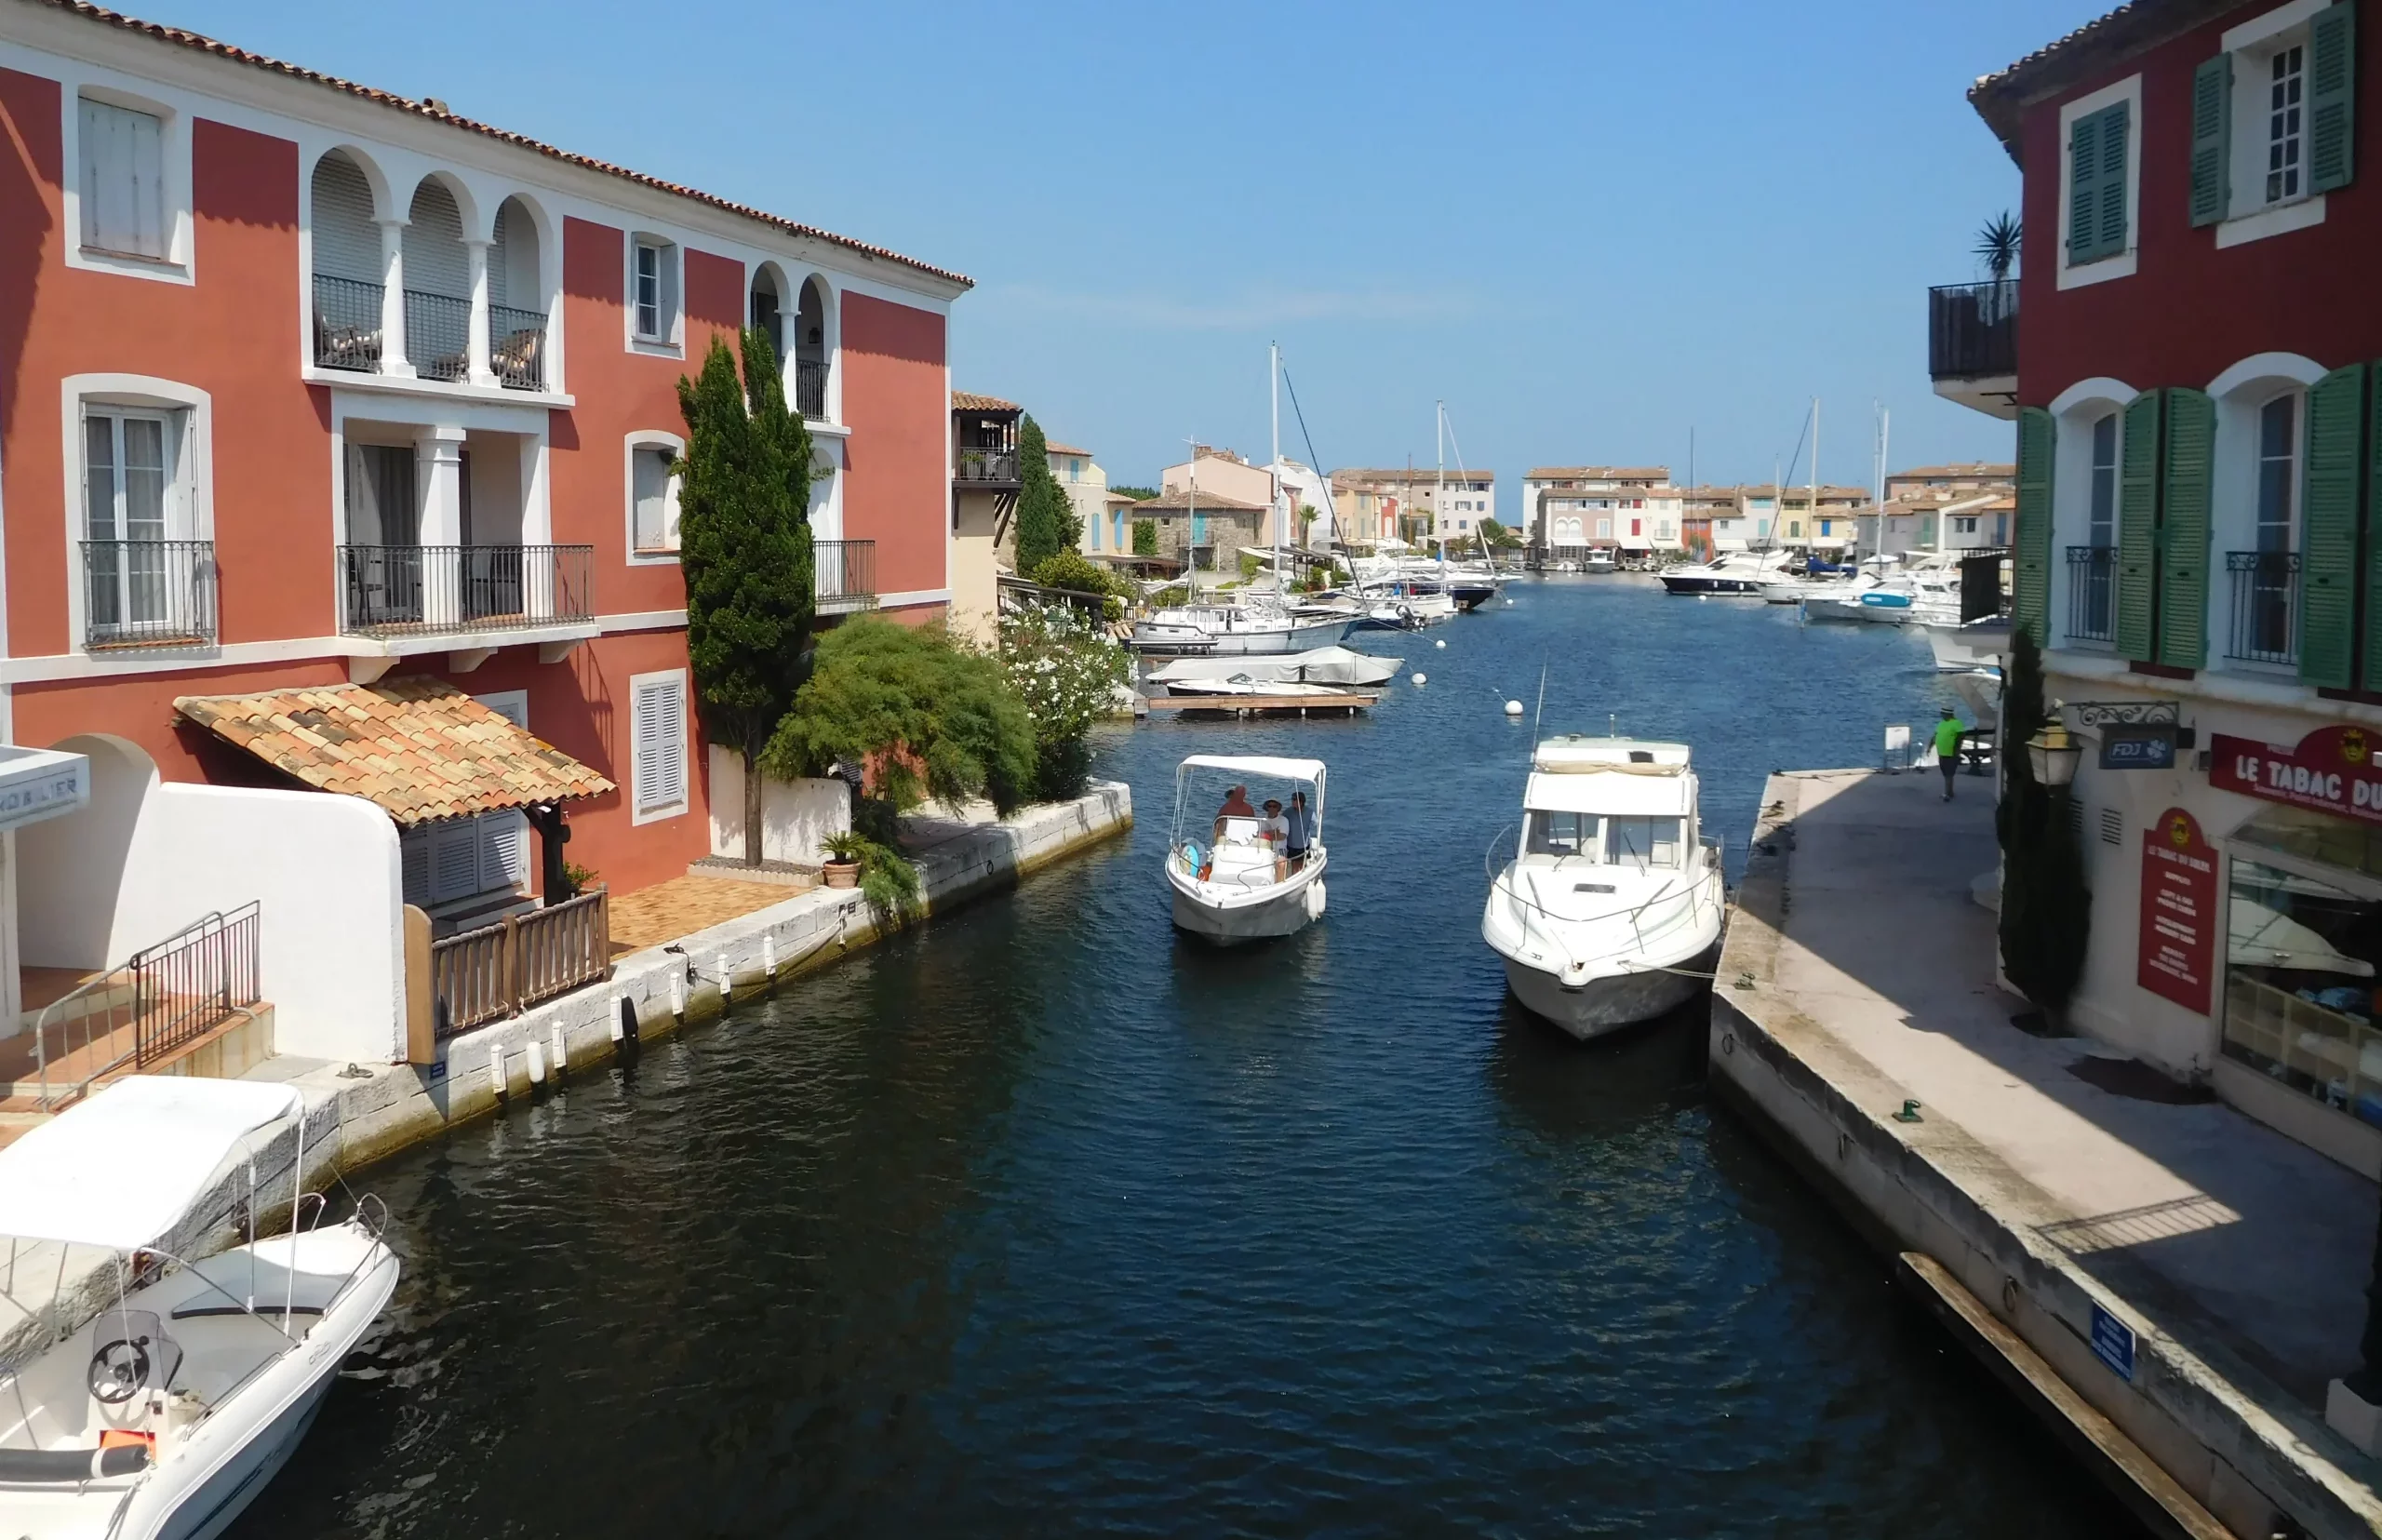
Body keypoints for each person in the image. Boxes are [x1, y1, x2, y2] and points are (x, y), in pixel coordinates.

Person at [1934, 707, 1965, 801]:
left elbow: (1960, 737)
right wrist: (1929, 746)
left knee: (1949, 773)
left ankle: (1947, 793)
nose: (1941, 715)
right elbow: (1936, 735)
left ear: (1948, 714)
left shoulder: (1956, 723)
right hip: (1942, 752)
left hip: (1951, 753)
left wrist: (1956, 750)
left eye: (1942, 713)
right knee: (1945, 773)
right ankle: (1950, 791)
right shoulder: (1941, 723)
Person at [1282, 790, 1312, 876]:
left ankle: (1301, 877)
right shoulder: (1288, 812)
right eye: (1292, 799)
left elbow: (1316, 822)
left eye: (1294, 799)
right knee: (1294, 864)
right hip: (1292, 844)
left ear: (1301, 801)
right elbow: (1281, 819)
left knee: (1301, 864)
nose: (1293, 801)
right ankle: (1295, 878)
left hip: (1303, 844)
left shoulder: (1309, 812)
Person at [1259, 798, 1290, 878]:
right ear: (1267, 807)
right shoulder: (1262, 820)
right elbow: (1257, 836)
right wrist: (1274, 833)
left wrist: (1266, 835)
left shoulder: (1284, 820)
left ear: (1278, 808)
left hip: (1280, 850)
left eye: (1274, 806)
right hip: (1264, 849)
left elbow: (1281, 836)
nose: (1272, 808)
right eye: (1270, 806)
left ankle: (1279, 884)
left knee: (1281, 862)